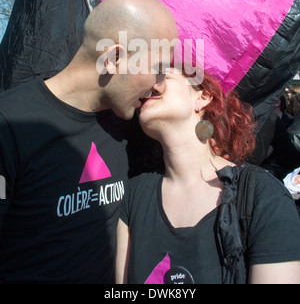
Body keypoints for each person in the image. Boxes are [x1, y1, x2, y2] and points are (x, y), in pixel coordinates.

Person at [0, 0, 178, 284]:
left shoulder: (129, 125)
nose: (160, 86)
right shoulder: (10, 126)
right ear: (113, 59)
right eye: (158, 69)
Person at [116, 68, 300, 284]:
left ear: (202, 97)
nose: (149, 85)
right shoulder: (133, 196)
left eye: (163, 74)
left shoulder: (263, 196)